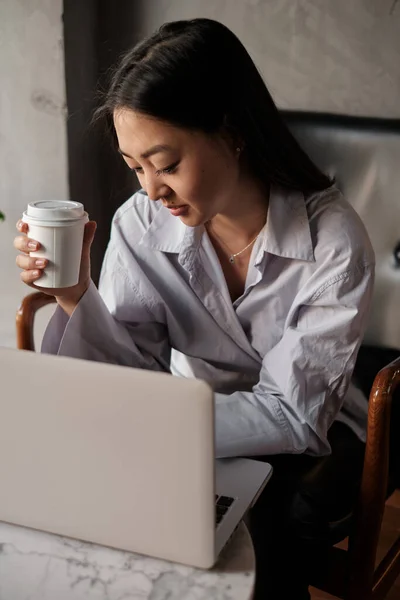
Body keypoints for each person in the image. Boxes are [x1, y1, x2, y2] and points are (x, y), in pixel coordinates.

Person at [14, 18, 374, 599]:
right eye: (136, 167)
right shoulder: (141, 222)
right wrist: (74, 293)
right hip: (191, 414)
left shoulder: (332, 240)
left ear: (232, 133)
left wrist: (151, 423)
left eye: (167, 163)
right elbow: (129, 376)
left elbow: (294, 417)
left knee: (260, 530)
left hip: (309, 430)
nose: (152, 190)